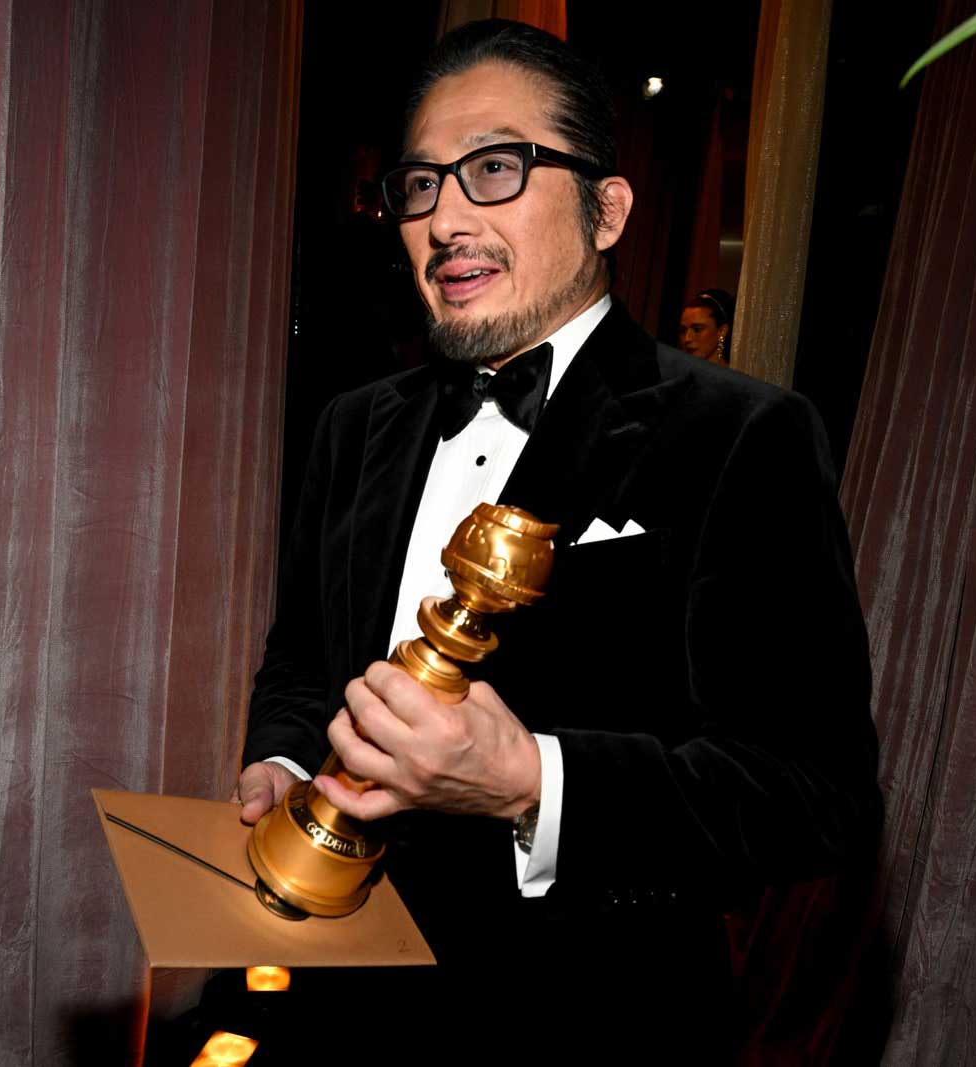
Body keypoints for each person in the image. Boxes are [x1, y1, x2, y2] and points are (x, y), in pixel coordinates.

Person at [235, 19, 880, 1060]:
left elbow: (813, 797)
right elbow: (304, 654)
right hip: (333, 991)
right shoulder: (350, 424)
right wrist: (279, 753)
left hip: (588, 1010)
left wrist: (532, 781)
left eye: (494, 168)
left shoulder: (743, 434)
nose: (445, 215)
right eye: (419, 184)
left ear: (607, 207)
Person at [680, 287, 734, 365]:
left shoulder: (735, 375)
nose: (687, 338)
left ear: (722, 331)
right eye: (683, 331)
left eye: (697, 330)